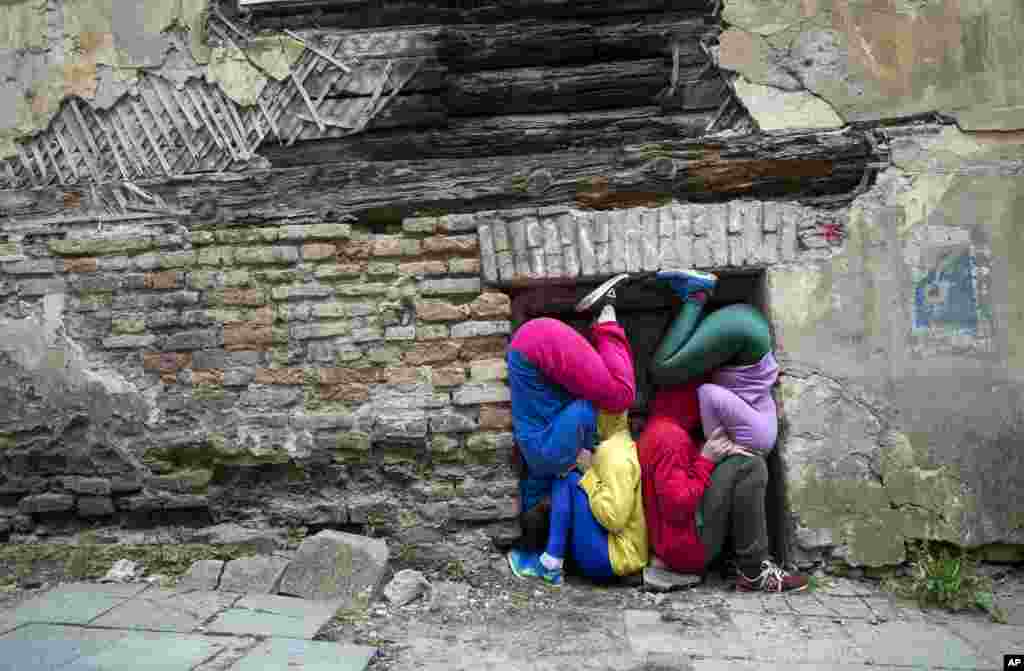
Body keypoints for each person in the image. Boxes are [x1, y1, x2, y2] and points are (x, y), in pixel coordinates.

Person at [638, 381, 808, 592]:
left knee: (735, 463)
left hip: (670, 547)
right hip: (687, 550)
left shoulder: (656, 429)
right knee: (750, 465)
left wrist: (712, 456)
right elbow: (677, 506)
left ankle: (735, 560)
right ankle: (754, 570)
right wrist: (706, 461)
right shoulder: (671, 439)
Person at [506, 273, 636, 519]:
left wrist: (588, 450)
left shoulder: (551, 459)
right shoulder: (538, 467)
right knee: (607, 388)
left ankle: (606, 312)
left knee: (621, 397)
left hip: (538, 346)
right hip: (534, 346)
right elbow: (532, 491)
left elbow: (584, 410)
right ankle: (601, 316)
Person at [508, 408, 647, 586]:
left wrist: (588, 473)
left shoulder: (615, 456)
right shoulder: (615, 444)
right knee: (571, 477)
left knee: (567, 478)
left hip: (612, 560)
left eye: (595, 408)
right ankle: (554, 557)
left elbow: (614, 519)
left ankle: (551, 562)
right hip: (614, 551)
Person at [649, 269, 780, 454]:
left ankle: (691, 294)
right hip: (743, 334)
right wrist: (713, 443)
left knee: (681, 356)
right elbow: (707, 393)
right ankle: (697, 292)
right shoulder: (757, 441)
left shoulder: (758, 440)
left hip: (744, 338)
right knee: (661, 371)